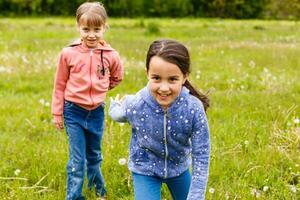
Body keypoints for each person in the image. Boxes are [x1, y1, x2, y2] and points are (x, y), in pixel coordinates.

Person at [109, 39, 210, 200]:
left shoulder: (193, 108)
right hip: (145, 169)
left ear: (184, 77)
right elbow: (118, 115)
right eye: (156, 78)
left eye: (172, 79)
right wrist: (113, 106)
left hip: (178, 168)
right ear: (147, 74)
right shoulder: (137, 104)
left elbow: (201, 155)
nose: (164, 88)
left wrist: (196, 195)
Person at [51, 2, 123, 200]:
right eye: (86, 29)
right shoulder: (68, 54)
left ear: (104, 27)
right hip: (73, 111)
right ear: (78, 27)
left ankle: (98, 192)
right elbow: (59, 85)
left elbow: (117, 77)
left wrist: (101, 88)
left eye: (97, 29)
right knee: (77, 159)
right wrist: (58, 113)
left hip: (97, 112)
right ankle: (73, 196)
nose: (91, 34)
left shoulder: (111, 55)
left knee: (94, 155)